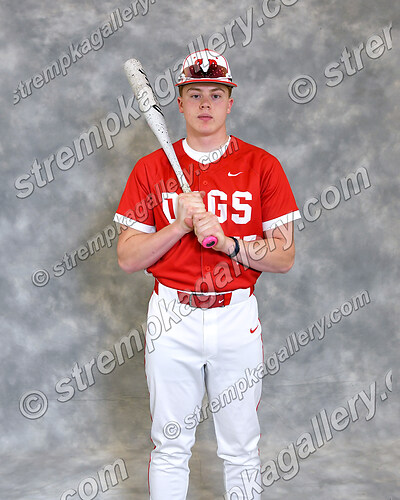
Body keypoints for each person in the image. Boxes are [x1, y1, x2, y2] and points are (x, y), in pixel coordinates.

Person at [114, 48, 301, 500]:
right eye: (194, 94)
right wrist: (178, 225)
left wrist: (230, 244)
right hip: (171, 317)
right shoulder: (150, 168)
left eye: (215, 94)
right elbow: (127, 258)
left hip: (235, 318)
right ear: (179, 103)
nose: (205, 103)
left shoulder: (262, 166)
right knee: (170, 446)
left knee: (241, 449)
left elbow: (284, 256)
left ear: (230, 102)